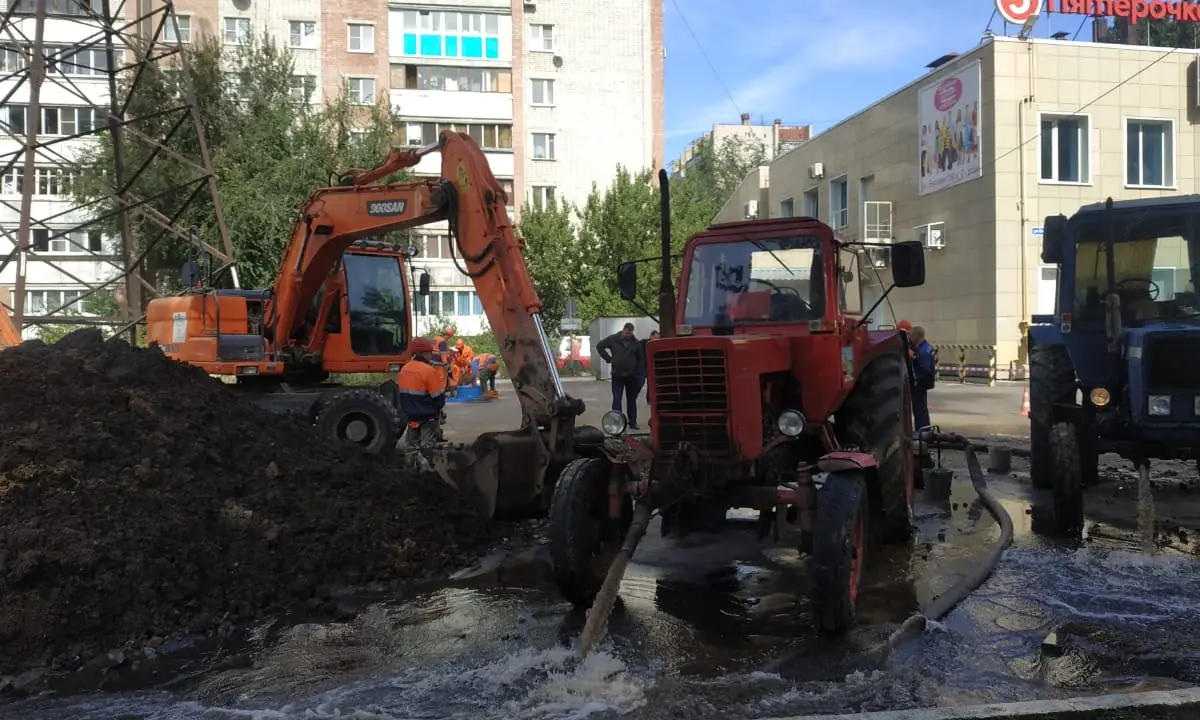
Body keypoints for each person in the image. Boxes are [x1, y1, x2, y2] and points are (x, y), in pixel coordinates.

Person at [398, 337, 447, 450]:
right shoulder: (428, 370)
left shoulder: (404, 369)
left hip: (410, 416)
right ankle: (427, 465)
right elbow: (438, 398)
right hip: (427, 416)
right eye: (430, 353)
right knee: (427, 448)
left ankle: (410, 465)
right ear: (425, 353)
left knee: (411, 447)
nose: (431, 355)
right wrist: (437, 411)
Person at [597, 322, 645, 430]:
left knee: (631, 399)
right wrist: (608, 359)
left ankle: (633, 422)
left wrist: (639, 373)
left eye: (630, 334)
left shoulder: (635, 343)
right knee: (617, 398)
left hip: (631, 376)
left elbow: (640, 359)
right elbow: (599, 346)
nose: (628, 335)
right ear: (623, 330)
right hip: (617, 375)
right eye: (627, 333)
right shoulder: (613, 339)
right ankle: (617, 422)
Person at [910, 325, 936, 431]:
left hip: (920, 384)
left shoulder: (922, 351)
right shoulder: (927, 348)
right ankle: (924, 430)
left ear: (917, 336)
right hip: (924, 383)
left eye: (911, 336)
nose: (910, 338)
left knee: (919, 409)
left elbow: (923, 369)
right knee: (922, 408)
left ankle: (923, 431)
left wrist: (915, 381)